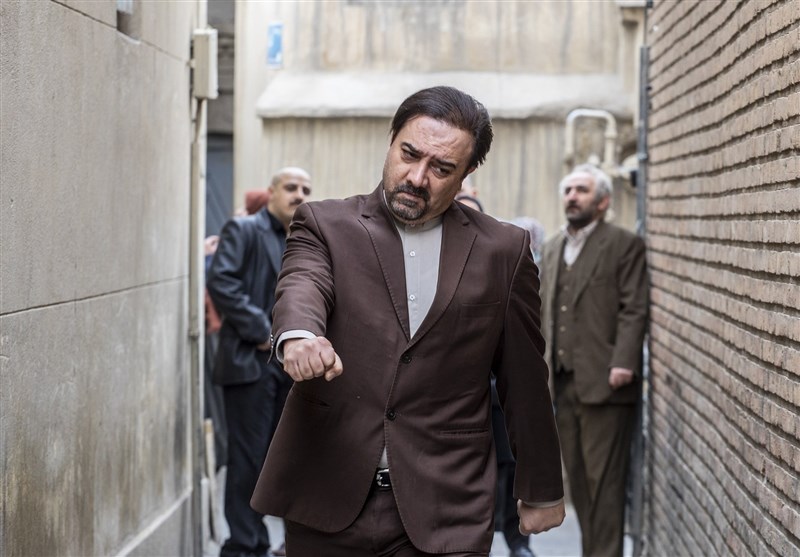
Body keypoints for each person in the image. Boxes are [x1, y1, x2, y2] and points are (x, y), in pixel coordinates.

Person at [251, 86, 565, 557]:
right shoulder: (324, 224)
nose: (417, 178)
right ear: (391, 140)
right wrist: (299, 337)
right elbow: (302, 284)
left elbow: (524, 377)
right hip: (328, 495)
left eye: (441, 168)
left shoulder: (504, 250)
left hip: (447, 507)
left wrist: (541, 487)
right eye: (409, 154)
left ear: (467, 173)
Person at [539, 164, 648, 557]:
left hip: (607, 384)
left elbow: (634, 308)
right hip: (563, 384)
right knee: (580, 486)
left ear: (603, 201)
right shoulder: (552, 247)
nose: (573, 197)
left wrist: (624, 362)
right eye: (568, 190)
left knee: (605, 485)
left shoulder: (623, 244)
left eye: (582, 190)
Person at [207, 167, 312, 557]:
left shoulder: (299, 240)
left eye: (306, 190)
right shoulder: (244, 229)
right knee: (247, 459)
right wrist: (263, 332)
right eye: (291, 187)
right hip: (249, 364)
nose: (299, 195)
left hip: (281, 368)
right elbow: (222, 282)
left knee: (273, 459)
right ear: (271, 192)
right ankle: (242, 545)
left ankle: (259, 540)